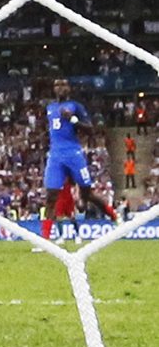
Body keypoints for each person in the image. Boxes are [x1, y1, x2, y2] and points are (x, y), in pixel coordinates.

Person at [39, 78, 117, 249]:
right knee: (50, 196)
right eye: (57, 85)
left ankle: (116, 218)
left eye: (63, 85)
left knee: (87, 194)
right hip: (55, 155)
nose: (60, 88)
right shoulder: (50, 108)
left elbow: (91, 130)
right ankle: (44, 241)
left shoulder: (76, 106)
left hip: (73, 153)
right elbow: (52, 129)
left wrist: (73, 120)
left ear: (69, 88)